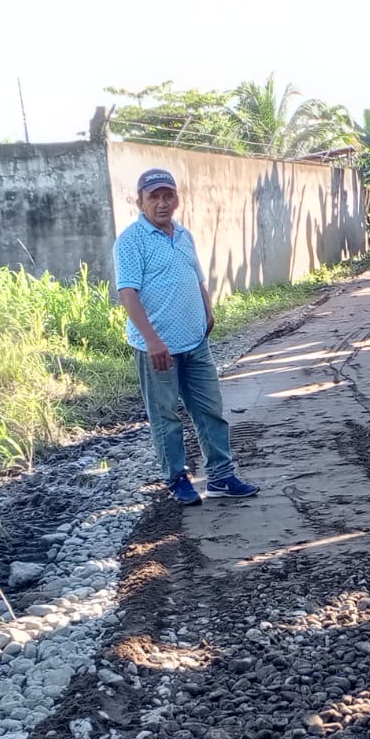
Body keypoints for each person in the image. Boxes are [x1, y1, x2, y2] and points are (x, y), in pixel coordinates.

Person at [114, 167, 259, 505]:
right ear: (140, 201)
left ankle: (221, 476)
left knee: (210, 410)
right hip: (157, 349)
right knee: (166, 416)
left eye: (168, 196)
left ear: (177, 199)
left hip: (195, 343)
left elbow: (197, 277)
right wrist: (152, 341)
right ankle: (177, 479)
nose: (162, 204)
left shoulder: (183, 235)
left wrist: (208, 310)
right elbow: (128, 294)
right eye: (154, 197)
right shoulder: (131, 241)